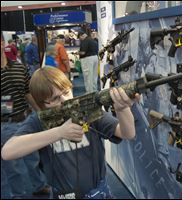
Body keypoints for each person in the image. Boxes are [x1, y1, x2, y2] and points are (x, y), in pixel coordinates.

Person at [1, 67, 139, 199]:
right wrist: (59, 132)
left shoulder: (86, 108)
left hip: (98, 192)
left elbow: (128, 133)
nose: (65, 100)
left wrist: (122, 109)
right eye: (55, 99)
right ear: (42, 104)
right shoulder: (38, 121)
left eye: (66, 92)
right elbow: (8, 152)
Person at [1, 31, 50, 198]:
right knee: (11, 165)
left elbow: (28, 92)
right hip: (5, 124)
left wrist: (41, 112)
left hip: (26, 118)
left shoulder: (19, 67)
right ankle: (18, 195)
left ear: (2, 44)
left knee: (33, 156)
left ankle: (39, 185)